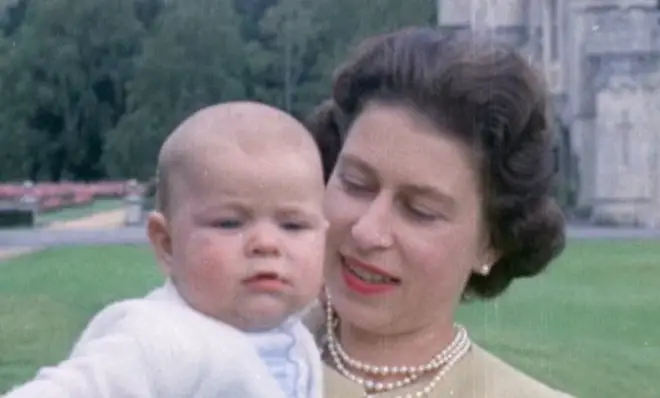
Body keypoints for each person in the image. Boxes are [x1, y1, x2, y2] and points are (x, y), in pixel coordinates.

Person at [303, 27, 572, 398]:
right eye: (355, 183)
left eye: (420, 211)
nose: (368, 231)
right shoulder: (230, 355)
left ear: (491, 243)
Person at [5, 101, 327, 398]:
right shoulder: (157, 338)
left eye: (294, 226)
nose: (266, 244)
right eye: (229, 223)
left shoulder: (297, 337)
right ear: (167, 244)